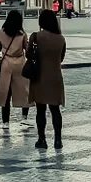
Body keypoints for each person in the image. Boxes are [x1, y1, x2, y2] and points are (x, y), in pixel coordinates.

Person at [27, 9, 67, 148]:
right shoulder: (61, 39)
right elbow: (61, 58)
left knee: (40, 110)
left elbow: (28, 55)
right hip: (55, 77)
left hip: (40, 77)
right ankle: (58, 140)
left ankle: (42, 139)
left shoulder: (36, 37)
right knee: (55, 110)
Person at [0, 10, 30, 131]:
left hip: (6, 64)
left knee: (5, 93)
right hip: (20, 65)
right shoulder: (22, 34)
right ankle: (24, 118)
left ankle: (5, 122)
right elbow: (27, 50)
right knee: (24, 91)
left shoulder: (0, 33)